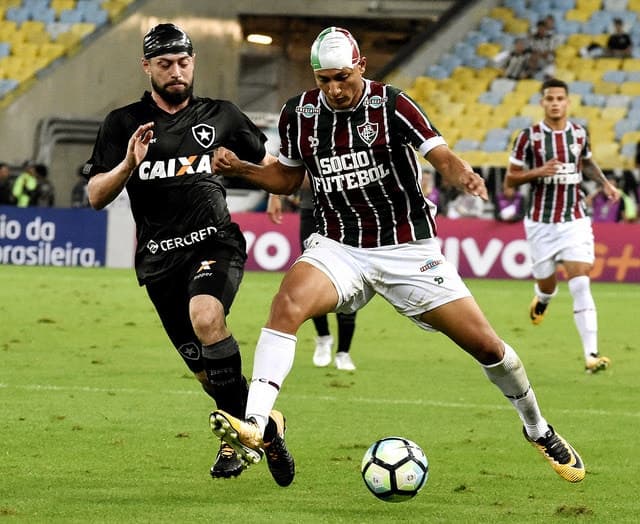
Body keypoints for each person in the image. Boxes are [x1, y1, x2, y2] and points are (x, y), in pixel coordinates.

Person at [210, 27, 586, 486]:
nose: (334, 89)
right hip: (339, 246)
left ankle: (538, 429)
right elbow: (288, 180)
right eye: (324, 79)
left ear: (361, 67)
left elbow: (440, 154)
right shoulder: (298, 114)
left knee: (489, 349)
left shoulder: (392, 105)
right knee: (286, 305)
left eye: (342, 77)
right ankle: (257, 423)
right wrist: (242, 169)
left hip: (409, 250)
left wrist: (460, 173)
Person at [82, 23, 294, 485]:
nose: (175, 72)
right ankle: (265, 428)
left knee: (206, 316)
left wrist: (268, 185)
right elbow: (96, 195)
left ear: (193, 61)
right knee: (207, 374)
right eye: (164, 64)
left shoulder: (222, 115)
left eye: (182, 62)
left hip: (215, 243)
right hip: (159, 263)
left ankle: (234, 441)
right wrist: (127, 165)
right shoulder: (122, 124)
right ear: (147, 67)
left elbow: (271, 164)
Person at [505, 78, 619, 373]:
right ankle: (542, 298)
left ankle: (591, 355)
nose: (555, 103)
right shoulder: (528, 137)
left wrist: (605, 184)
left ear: (568, 102)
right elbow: (510, 180)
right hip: (541, 223)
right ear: (542, 103)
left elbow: (587, 162)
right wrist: (539, 171)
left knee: (580, 280)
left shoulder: (580, 133)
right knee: (548, 283)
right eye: (549, 98)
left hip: (574, 219)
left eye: (560, 98)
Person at [267, 181, 358, 371]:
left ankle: (343, 352)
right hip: (313, 211)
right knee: (311, 278)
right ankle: (323, 337)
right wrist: (275, 195)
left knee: (350, 275)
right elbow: (290, 170)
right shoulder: (306, 149)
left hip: (348, 211)